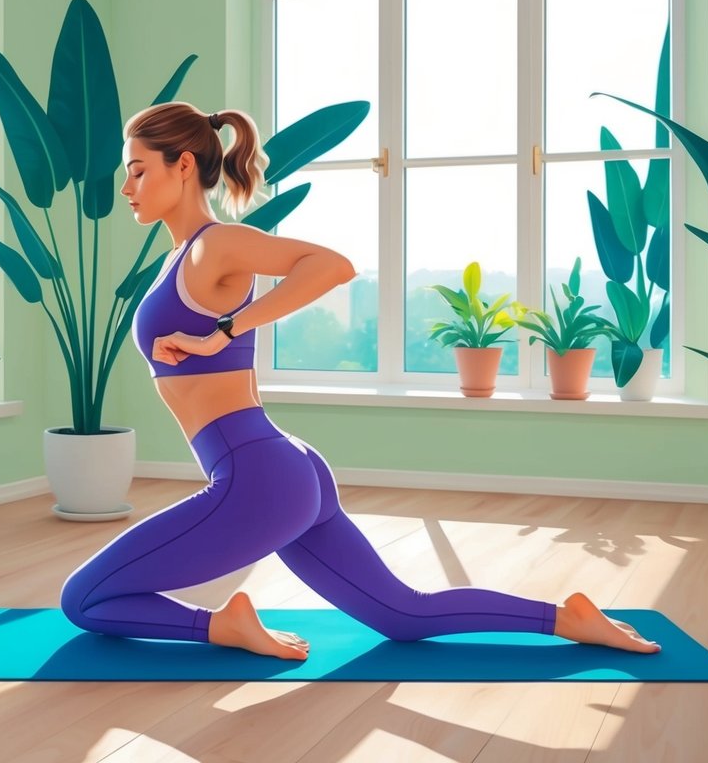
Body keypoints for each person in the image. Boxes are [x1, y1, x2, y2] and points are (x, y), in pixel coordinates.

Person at [60, 102, 660, 659]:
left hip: (255, 477)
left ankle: (223, 626)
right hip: (280, 468)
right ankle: (568, 618)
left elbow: (332, 266)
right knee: (405, 616)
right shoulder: (184, 254)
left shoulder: (215, 245)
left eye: (138, 171)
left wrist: (224, 329)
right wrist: (222, 334)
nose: (127, 187)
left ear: (183, 165)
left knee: (82, 599)